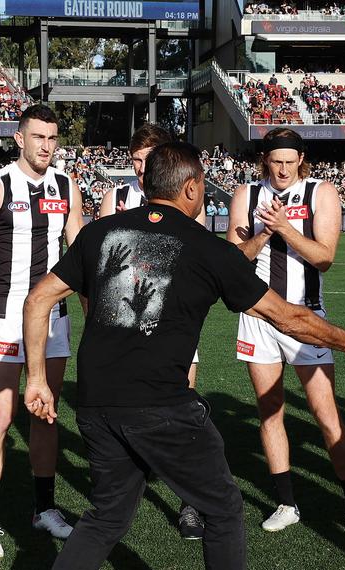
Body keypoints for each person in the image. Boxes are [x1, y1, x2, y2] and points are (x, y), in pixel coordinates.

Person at [1, 141, 345, 570]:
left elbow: (37, 299)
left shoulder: (101, 233)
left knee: (107, 515)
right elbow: (289, 318)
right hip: (159, 405)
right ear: (191, 188)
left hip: (96, 402)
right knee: (223, 509)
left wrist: (37, 378)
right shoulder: (207, 248)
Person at [0, 104, 83, 560]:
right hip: (7, 316)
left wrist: (93, 310)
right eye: (38, 137)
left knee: (45, 413)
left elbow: (78, 252)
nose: (46, 145)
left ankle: (43, 509)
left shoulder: (67, 186)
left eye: (53, 138)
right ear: (19, 138)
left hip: (54, 319)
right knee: (0, 416)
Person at [228, 128, 345, 538]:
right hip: (258, 317)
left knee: (326, 413)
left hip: (306, 318)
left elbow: (325, 257)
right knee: (270, 410)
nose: (283, 169)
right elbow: (234, 259)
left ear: (302, 160)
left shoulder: (321, 192)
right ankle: (286, 502)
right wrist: (264, 233)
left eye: (291, 162)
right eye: (277, 161)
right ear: (265, 161)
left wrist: (287, 229)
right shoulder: (246, 195)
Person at [98, 121, 205, 540]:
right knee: (122, 409)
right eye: (135, 162)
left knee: (183, 407)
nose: (141, 170)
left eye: (148, 161)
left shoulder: (181, 201)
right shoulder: (116, 198)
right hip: (125, 323)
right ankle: (117, 497)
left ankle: (190, 502)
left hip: (173, 325)